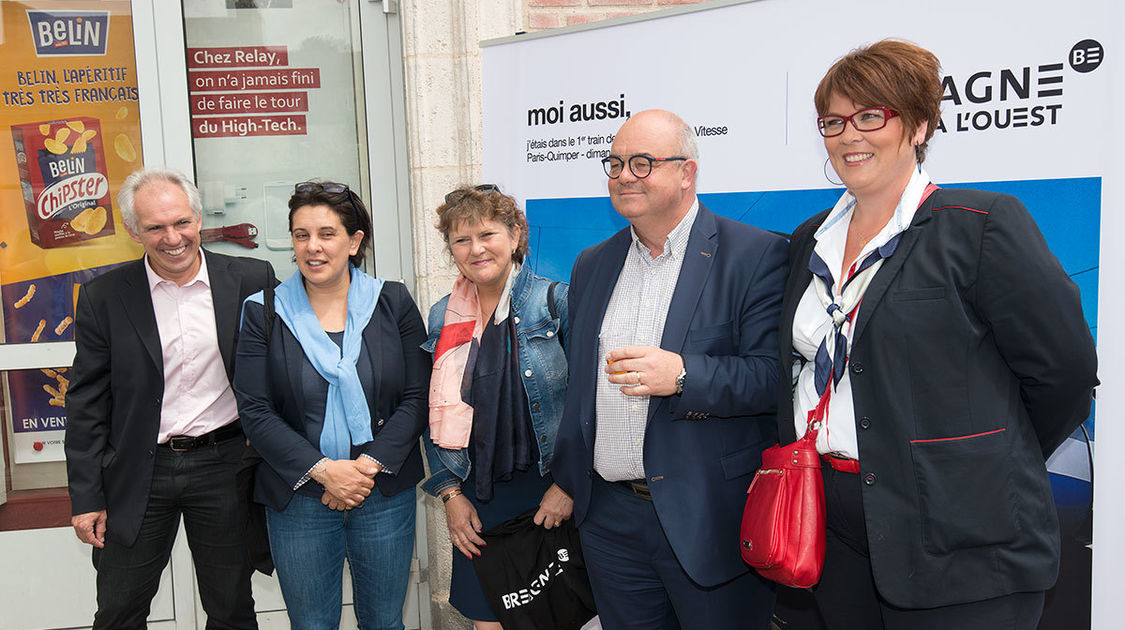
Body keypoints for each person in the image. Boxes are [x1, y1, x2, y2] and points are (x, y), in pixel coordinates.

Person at [778, 40, 1098, 629]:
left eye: (871, 116)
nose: (850, 135)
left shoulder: (980, 226)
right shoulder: (808, 239)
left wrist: (975, 455)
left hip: (958, 534)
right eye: (833, 121)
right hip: (830, 523)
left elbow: (1066, 375)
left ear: (920, 124)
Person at [551, 109, 787, 630]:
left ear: (687, 172)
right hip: (610, 520)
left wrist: (682, 377)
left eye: (642, 163)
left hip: (708, 516)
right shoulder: (592, 263)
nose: (623, 176)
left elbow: (773, 378)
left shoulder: (755, 254)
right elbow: (580, 388)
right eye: (614, 163)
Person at [65, 168, 274, 629]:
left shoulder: (252, 279)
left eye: (181, 222)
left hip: (225, 465)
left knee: (232, 609)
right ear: (133, 231)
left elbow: (277, 375)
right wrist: (86, 497)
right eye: (155, 227)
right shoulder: (104, 297)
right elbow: (87, 404)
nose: (172, 238)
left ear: (199, 220)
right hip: (139, 472)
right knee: (120, 611)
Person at [232, 181, 429, 630]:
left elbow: (418, 397)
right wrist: (325, 471)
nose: (312, 247)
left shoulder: (392, 301)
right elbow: (256, 410)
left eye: (326, 233)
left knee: (384, 622)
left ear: (355, 241)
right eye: (301, 235)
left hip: (381, 492)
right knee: (312, 625)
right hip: (299, 496)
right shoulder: (263, 310)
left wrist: (366, 467)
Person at [421, 185, 571, 629]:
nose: (476, 249)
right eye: (461, 239)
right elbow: (430, 412)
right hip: (476, 492)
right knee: (487, 621)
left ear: (515, 234)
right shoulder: (441, 315)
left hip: (547, 492)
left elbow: (590, 405)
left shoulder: (557, 303)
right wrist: (450, 494)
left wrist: (569, 487)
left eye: (487, 234)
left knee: (552, 616)